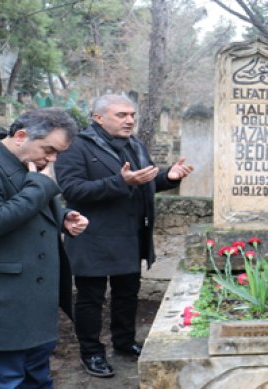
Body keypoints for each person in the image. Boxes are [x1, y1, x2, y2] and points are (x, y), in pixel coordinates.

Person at [55, 94, 194, 378]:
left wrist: (170, 177)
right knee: (91, 299)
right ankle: (91, 353)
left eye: (131, 114)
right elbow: (72, 190)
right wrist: (120, 182)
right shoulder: (76, 147)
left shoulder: (135, 144)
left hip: (130, 235)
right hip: (91, 235)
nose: (129, 120)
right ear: (98, 117)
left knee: (127, 294)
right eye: (121, 115)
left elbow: (143, 183)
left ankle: (124, 342)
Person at [0, 108, 88, 387]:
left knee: (37, 375)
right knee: (5, 379)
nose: (52, 159)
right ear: (21, 136)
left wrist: (61, 219)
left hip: (36, 298)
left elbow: (28, 202)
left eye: (58, 153)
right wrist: (40, 186)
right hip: (0, 300)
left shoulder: (29, 161)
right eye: (49, 149)